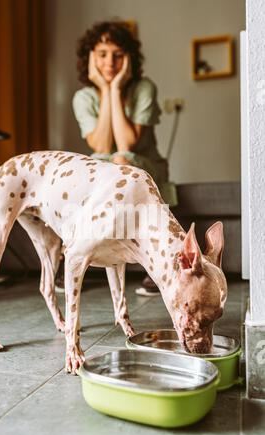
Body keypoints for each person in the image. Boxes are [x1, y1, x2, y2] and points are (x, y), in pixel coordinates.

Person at [55, 20, 177, 296]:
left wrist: (114, 89)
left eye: (117, 54)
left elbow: (125, 144)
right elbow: (100, 144)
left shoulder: (144, 87)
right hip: (104, 169)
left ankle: (155, 263)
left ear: (129, 59)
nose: (110, 61)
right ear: (90, 58)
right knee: (90, 173)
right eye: (102, 54)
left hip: (141, 167)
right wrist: (104, 89)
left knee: (120, 161)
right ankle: (79, 257)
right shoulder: (83, 97)